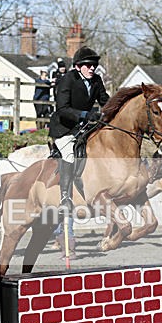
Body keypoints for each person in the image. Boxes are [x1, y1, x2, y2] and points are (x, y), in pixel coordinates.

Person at [48, 46, 110, 207]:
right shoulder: (67, 80)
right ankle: (65, 197)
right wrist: (85, 114)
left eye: (94, 66)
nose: (92, 68)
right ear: (77, 66)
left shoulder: (96, 80)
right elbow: (62, 109)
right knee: (69, 154)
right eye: (88, 65)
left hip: (83, 128)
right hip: (64, 128)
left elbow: (106, 102)